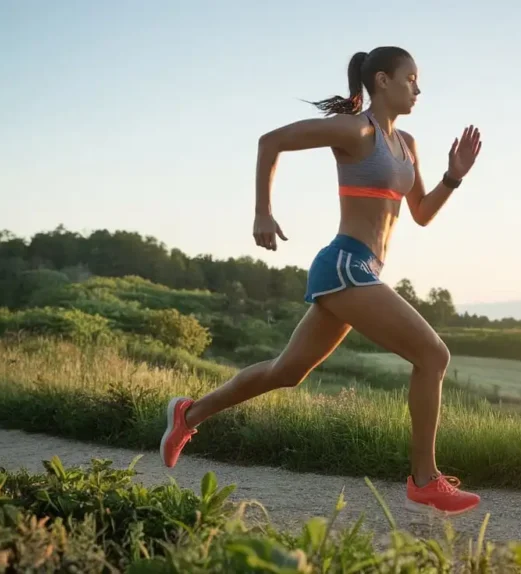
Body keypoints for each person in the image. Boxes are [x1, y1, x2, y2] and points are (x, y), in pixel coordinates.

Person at [159, 46, 483, 516]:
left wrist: (453, 178)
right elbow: (270, 141)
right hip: (345, 264)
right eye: (411, 78)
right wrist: (262, 212)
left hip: (363, 270)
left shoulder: (406, 144)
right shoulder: (356, 130)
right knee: (433, 355)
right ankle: (424, 479)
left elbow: (421, 214)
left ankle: (188, 414)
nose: (418, 88)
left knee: (285, 373)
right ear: (383, 80)